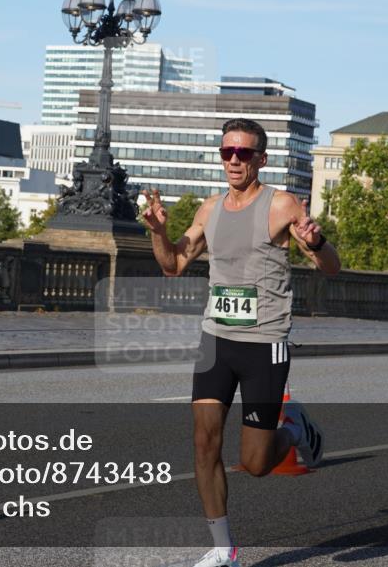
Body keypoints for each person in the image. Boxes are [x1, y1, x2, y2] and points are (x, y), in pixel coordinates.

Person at [141, 118, 341, 567]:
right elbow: (172, 264)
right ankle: (224, 547)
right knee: (203, 442)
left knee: (255, 463)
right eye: (227, 152)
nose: (234, 160)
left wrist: (318, 241)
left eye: (243, 153)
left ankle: (295, 430)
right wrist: (157, 231)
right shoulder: (210, 210)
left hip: (264, 343)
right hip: (216, 339)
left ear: (261, 159)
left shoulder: (282, 206)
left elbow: (331, 267)